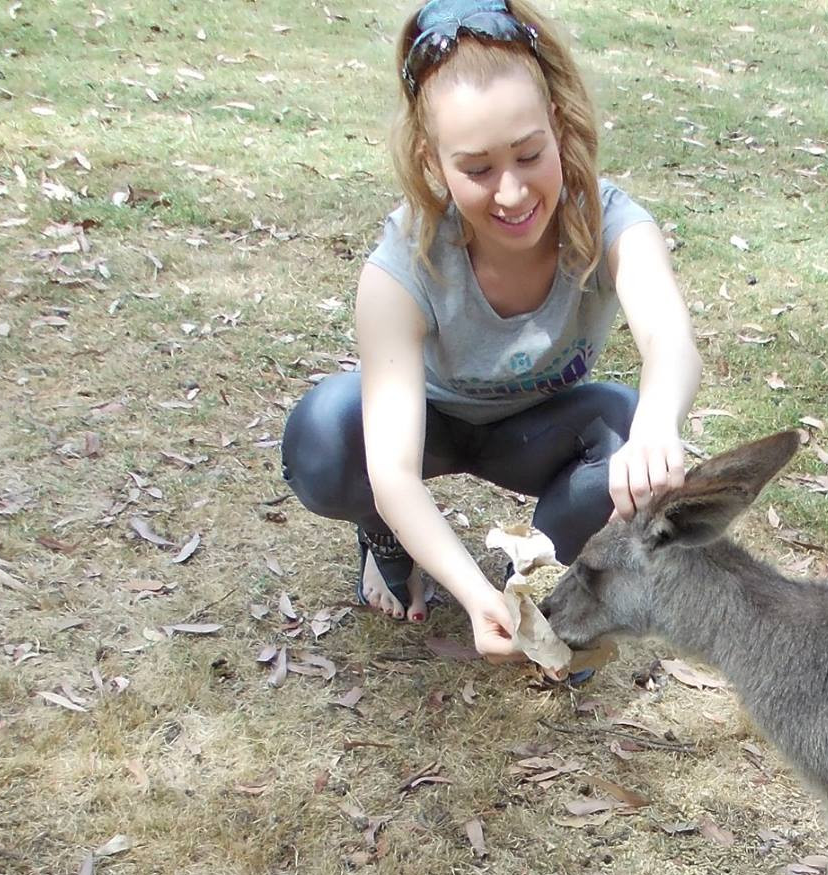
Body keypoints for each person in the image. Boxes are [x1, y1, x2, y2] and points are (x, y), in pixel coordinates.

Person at [281, 0, 700, 663]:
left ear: (558, 126)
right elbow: (393, 469)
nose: (511, 192)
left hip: (540, 433)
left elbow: (668, 338)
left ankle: (541, 578)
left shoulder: (612, 222)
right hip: (435, 425)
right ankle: (389, 543)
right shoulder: (401, 267)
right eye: (476, 169)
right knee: (324, 435)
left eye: (530, 154)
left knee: (627, 432)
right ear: (432, 159)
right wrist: (467, 590)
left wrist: (658, 426)